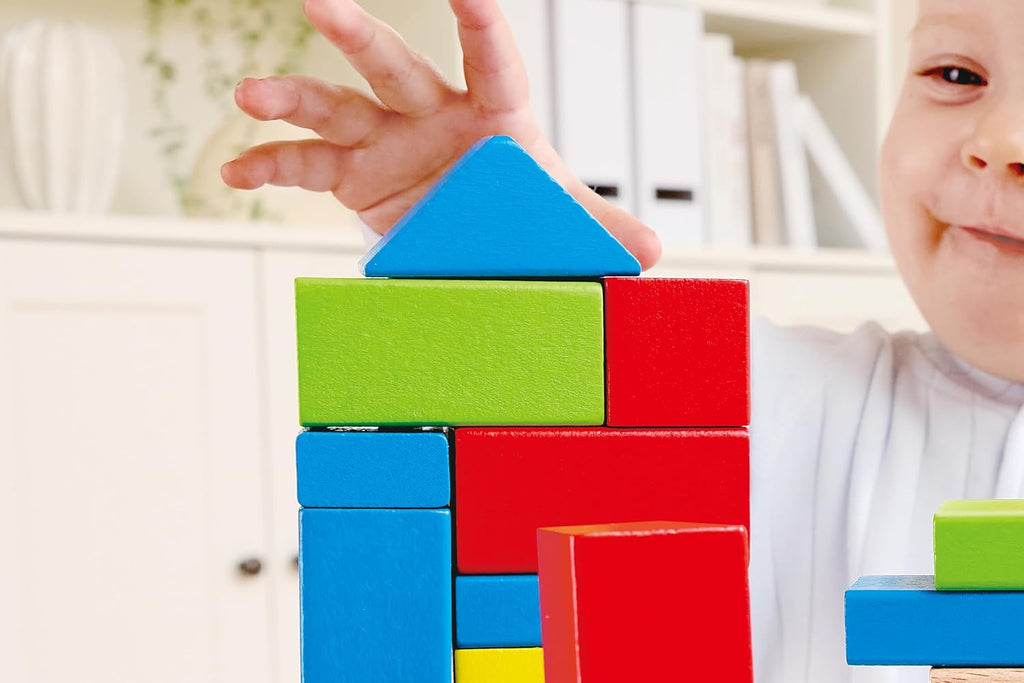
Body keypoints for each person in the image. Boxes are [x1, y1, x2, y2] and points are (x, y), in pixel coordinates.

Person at [222, 1, 1024, 681]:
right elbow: (539, 421)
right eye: (957, 74)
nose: (1004, 136)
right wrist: (490, 235)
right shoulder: (763, 390)